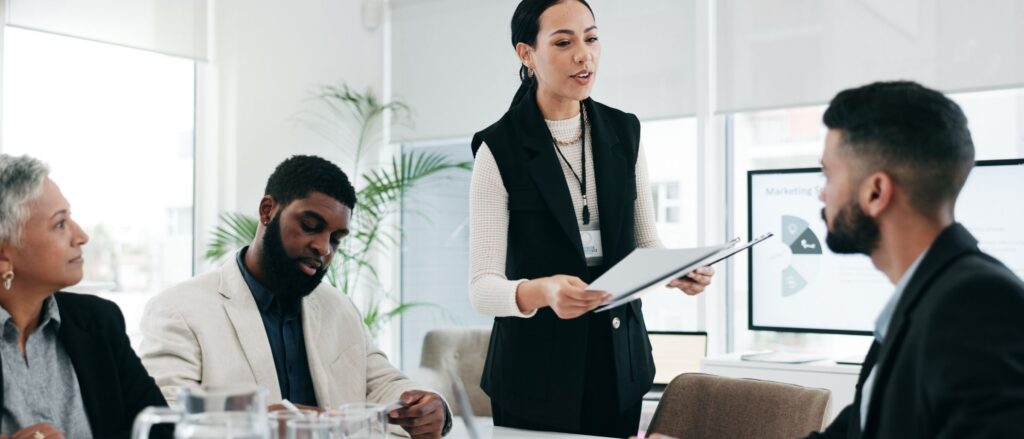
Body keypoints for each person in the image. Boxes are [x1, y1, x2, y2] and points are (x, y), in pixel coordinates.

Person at [467, 1, 714, 436]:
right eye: (564, 42)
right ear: (526, 54)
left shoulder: (625, 131)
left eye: (592, 37)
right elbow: (482, 288)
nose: (584, 55)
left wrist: (674, 270)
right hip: (534, 376)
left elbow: (645, 240)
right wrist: (543, 291)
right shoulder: (497, 149)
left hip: (618, 364)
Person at [139, 155, 451, 438]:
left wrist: (426, 405)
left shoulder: (339, 308)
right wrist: (262, 425)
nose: (323, 248)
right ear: (267, 211)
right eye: (310, 226)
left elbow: (382, 383)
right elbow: (167, 420)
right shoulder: (179, 310)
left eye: (336, 239)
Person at [807, 81, 1024, 438]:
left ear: (876, 192)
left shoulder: (974, 303)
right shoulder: (923, 297)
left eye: (827, 175)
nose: (822, 193)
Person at [0, 154, 167, 439]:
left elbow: (162, 429)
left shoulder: (99, 321)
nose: (81, 236)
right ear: (5, 253)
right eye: (60, 224)